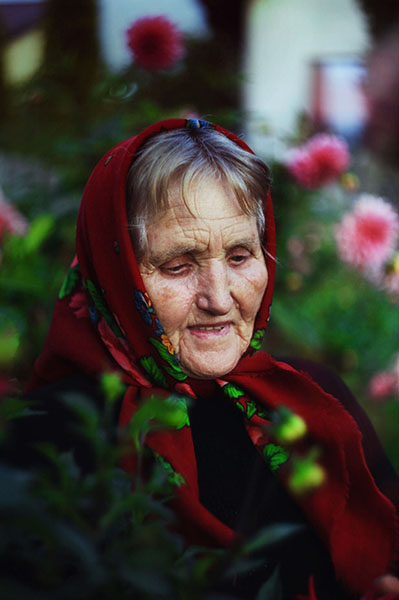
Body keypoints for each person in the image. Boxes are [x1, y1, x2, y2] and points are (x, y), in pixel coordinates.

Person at [22, 119, 398, 599]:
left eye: (241, 256)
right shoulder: (53, 434)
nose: (219, 298)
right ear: (116, 269)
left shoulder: (311, 399)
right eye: (178, 266)